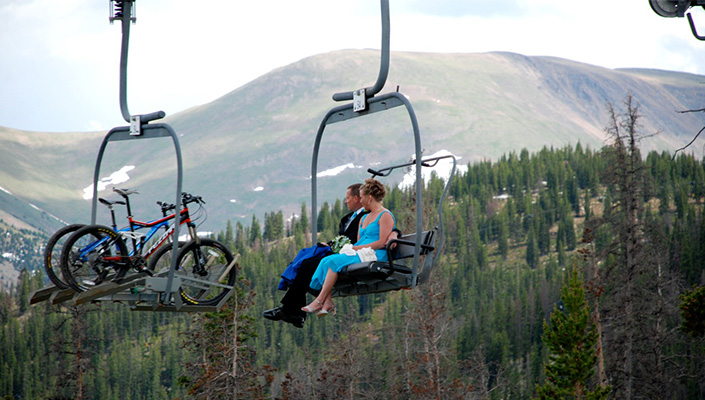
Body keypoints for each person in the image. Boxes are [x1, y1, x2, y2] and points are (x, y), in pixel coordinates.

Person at [263, 183, 398, 328]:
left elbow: (385, 235)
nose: (346, 201)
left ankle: (304, 306)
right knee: (306, 262)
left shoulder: (379, 215)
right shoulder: (361, 218)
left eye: (351, 197)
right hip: (353, 250)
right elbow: (355, 237)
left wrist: (395, 234)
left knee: (316, 264)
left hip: (369, 253)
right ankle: (304, 307)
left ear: (367, 198)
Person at [303, 178, 395, 316]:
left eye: (362, 197)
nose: (361, 201)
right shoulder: (364, 218)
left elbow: (382, 242)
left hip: (375, 254)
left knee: (333, 262)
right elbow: (359, 241)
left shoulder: (385, 215)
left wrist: (356, 249)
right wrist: (352, 248)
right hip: (361, 251)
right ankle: (327, 301)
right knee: (325, 261)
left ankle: (320, 300)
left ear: (369, 198)